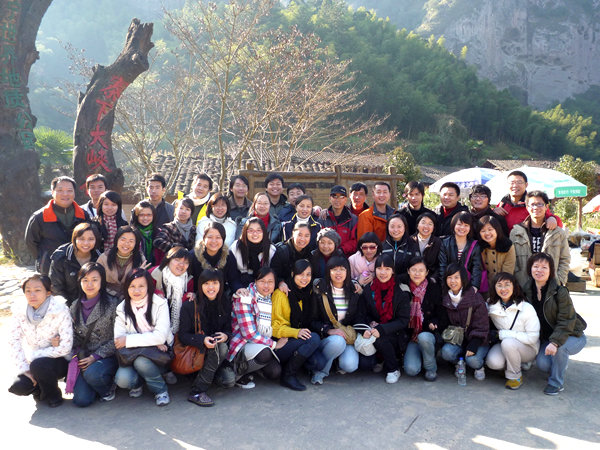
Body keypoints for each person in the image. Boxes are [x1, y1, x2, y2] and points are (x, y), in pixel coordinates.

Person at [523, 253, 587, 395]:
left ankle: (556, 383)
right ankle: (560, 363)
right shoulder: (526, 290)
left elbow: (566, 320)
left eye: (544, 267)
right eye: (536, 266)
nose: (539, 270)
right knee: (543, 365)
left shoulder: (560, 292)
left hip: (572, 335)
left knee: (561, 348)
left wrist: (555, 342)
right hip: (548, 338)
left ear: (551, 270)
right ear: (530, 269)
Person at [8, 274, 73, 407]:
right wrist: (25, 369)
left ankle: (53, 394)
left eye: (37, 290)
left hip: (59, 360)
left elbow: (65, 347)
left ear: (48, 292)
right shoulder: (20, 312)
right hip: (35, 362)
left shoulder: (60, 310)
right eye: (28, 291)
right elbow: (14, 341)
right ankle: (39, 389)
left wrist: (33, 356)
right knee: (17, 386)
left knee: (39, 365)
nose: (32, 295)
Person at [114, 269, 173, 406]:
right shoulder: (122, 308)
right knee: (123, 380)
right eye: (132, 286)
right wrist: (152, 341)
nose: (137, 290)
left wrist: (129, 340)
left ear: (148, 287)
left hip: (159, 355)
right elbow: (119, 340)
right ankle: (139, 382)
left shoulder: (160, 304)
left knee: (142, 362)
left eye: (141, 286)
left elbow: (160, 336)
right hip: (133, 356)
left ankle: (160, 390)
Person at [179, 269, 235, 407]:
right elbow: (182, 336)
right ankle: (197, 391)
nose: (211, 287)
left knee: (228, 381)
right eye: (206, 283)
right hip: (196, 353)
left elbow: (228, 328)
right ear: (200, 285)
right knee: (221, 348)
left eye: (215, 283)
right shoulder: (190, 305)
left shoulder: (225, 301)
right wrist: (202, 340)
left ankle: (206, 375)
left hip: (215, 355)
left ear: (221, 284)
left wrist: (226, 336)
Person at [69, 263, 120, 407]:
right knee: (81, 400)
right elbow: (76, 336)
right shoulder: (75, 306)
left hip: (108, 355)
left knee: (93, 374)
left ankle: (108, 387)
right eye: (85, 280)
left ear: (102, 281)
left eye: (94, 279)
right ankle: (95, 383)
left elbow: (118, 337)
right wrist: (63, 339)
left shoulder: (113, 304)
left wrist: (96, 356)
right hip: (85, 357)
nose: (89, 284)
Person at [272, 260, 326, 390]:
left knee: (319, 363)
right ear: (292, 274)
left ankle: (295, 363)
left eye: (308, 274)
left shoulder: (308, 293)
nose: (304, 278)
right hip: (282, 344)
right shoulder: (280, 294)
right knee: (313, 338)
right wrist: (296, 332)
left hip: (299, 341)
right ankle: (288, 375)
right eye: (300, 274)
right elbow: (274, 328)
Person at [356, 254, 411, 384]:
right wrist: (367, 326)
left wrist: (381, 329)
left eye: (387, 269)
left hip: (395, 334)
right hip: (372, 332)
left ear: (393, 271)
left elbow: (403, 320)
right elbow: (360, 314)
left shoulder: (402, 290)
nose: (383, 272)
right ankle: (381, 359)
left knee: (381, 339)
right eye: (379, 268)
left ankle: (393, 369)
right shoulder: (368, 289)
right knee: (366, 365)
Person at [228, 268, 286, 388]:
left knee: (275, 372)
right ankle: (239, 373)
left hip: (260, 344)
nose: (266, 285)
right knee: (265, 354)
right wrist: (275, 345)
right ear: (255, 282)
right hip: (243, 343)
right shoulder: (244, 298)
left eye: (270, 282)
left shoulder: (271, 297)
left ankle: (253, 369)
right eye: (262, 281)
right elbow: (249, 334)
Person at [309, 256, 360, 385]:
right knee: (337, 342)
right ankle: (320, 371)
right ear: (328, 271)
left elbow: (359, 316)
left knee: (350, 365)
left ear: (347, 271)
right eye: (334, 269)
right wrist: (329, 330)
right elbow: (312, 320)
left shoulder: (353, 290)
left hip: (346, 336)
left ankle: (335, 360)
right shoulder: (320, 291)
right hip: (328, 338)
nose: (338, 273)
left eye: (342, 269)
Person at [25, 176, 90, 275]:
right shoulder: (40, 217)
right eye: (60, 190)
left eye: (69, 190)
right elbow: (31, 242)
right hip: (49, 268)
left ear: (74, 193)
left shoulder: (83, 215)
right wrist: (44, 258)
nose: (65, 194)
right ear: (52, 192)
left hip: (77, 267)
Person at [486, 272, 540, 390]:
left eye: (507, 284)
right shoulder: (492, 306)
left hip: (528, 348)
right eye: (499, 285)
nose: (503, 289)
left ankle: (515, 376)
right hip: (506, 345)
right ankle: (511, 365)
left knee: (508, 343)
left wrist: (503, 334)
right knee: (493, 362)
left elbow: (532, 337)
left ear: (514, 286)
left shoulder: (526, 308)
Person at [510, 191, 570, 287]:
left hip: (550, 284)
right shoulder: (516, 232)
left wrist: (560, 280)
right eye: (532, 205)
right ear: (527, 207)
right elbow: (511, 259)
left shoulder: (557, 233)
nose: (536, 208)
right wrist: (517, 279)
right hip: (523, 285)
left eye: (540, 204)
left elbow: (565, 258)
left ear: (546, 207)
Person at [401, 257, 448, 381]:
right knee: (411, 370)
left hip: (427, 335)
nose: (417, 273)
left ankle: (430, 367)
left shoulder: (434, 288)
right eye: (414, 270)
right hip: (412, 337)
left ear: (427, 272)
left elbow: (442, 316)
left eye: (421, 270)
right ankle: (418, 357)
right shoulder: (402, 287)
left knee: (424, 338)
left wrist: (435, 322)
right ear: (408, 271)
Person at [440, 263, 489, 380]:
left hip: (478, 340)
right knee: (446, 352)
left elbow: (483, 325)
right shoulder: (446, 298)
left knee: (473, 360)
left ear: (463, 279)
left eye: (456, 277)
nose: (453, 281)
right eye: (449, 277)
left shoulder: (475, 298)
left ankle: (479, 366)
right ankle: (460, 363)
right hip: (457, 339)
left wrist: (475, 342)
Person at [49, 222, 102, 306]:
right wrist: (71, 308)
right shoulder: (61, 257)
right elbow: (57, 288)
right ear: (74, 239)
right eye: (81, 239)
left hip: (93, 304)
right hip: (66, 305)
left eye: (91, 239)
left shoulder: (100, 257)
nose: (86, 243)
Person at [493, 170, 561, 233]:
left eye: (519, 182)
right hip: (506, 241)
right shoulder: (503, 203)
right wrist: (494, 210)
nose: (515, 185)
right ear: (507, 185)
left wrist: (552, 218)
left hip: (526, 241)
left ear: (526, 185)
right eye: (512, 183)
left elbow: (553, 219)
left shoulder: (533, 203)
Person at [149, 246, 195, 336]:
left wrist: (188, 297)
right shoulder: (154, 273)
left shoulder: (188, 280)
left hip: (177, 323)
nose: (181, 265)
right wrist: (156, 292)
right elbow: (143, 292)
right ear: (168, 260)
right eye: (177, 260)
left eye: (186, 262)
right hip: (153, 320)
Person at [189, 221, 243, 294]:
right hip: (197, 295)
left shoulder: (228, 255)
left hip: (221, 295)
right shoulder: (193, 256)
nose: (214, 241)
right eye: (210, 237)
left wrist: (238, 288)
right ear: (204, 238)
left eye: (218, 237)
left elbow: (233, 278)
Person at [97, 226, 147, 298]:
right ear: (116, 240)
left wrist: (139, 274)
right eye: (123, 240)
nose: (126, 244)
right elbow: (97, 281)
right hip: (106, 295)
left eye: (131, 241)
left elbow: (141, 284)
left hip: (130, 296)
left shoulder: (140, 259)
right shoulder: (104, 258)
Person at [439, 212, 483, 291]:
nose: (462, 228)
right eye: (459, 224)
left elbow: (476, 269)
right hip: (449, 284)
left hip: (467, 285)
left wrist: (474, 287)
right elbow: (442, 267)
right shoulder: (445, 243)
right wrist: (444, 288)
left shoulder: (475, 246)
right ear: (453, 225)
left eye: (466, 225)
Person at [230, 217, 276, 288]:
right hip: (240, 282)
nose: (255, 234)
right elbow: (232, 274)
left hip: (264, 284)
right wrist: (239, 288)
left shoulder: (271, 249)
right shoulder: (236, 247)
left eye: (258, 230)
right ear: (245, 232)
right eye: (251, 231)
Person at [271, 222, 313, 294]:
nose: (302, 239)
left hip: (301, 290)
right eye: (299, 235)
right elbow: (273, 273)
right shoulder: (282, 252)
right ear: (293, 233)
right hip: (284, 289)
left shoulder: (309, 252)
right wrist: (281, 282)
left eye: (306, 236)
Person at [154, 198, 197, 264]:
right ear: (176, 210)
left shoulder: (194, 229)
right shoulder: (169, 227)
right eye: (181, 208)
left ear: (191, 213)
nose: (183, 211)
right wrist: (176, 247)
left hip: (190, 263)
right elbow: (157, 242)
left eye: (187, 209)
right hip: (173, 263)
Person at [318, 185, 358, 257]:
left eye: (341, 197)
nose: (337, 200)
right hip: (325, 257)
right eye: (334, 196)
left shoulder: (353, 219)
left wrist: (341, 250)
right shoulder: (323, 217)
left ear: (346, 199)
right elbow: (319, 239)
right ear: (330, 198)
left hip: (345, 257)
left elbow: (355, 241)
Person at [478, 215, 516, 283]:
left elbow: (507, 273)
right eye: (483, 231)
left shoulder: (507, 246)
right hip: (484, 285)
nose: (487, 233)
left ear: (497, 229)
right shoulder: (478, 247)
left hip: (503, 285)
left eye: (490, 229)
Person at [411, 212, 442, 282]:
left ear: (433, 227)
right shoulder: (410, 241)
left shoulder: (438, 243)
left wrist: (433, 279)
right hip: (412, 279)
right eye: (423, 223)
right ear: (417, 225)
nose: (426, 226)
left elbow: (441, 265)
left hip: (431, 280)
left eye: (430, 224)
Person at [130, 200, 158, 265]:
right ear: (136, 216)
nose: (145, 218)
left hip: (155, 268)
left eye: (149, 215)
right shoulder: (131, 233)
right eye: (141, 215)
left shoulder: (159, 233)